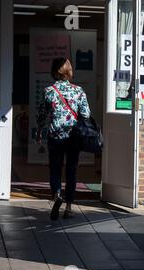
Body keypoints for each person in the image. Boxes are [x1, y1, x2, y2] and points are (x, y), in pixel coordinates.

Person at [36, 57, 91, 220]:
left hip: (55, 135)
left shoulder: (49, 91)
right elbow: (86, 114)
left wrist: (39, 131)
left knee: (55, 169)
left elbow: (42, 116)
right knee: (71, 170)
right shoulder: (78, 91)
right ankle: (68, 207)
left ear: (54, 71)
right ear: (69, 71)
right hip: (74, 137)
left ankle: (57, 196)